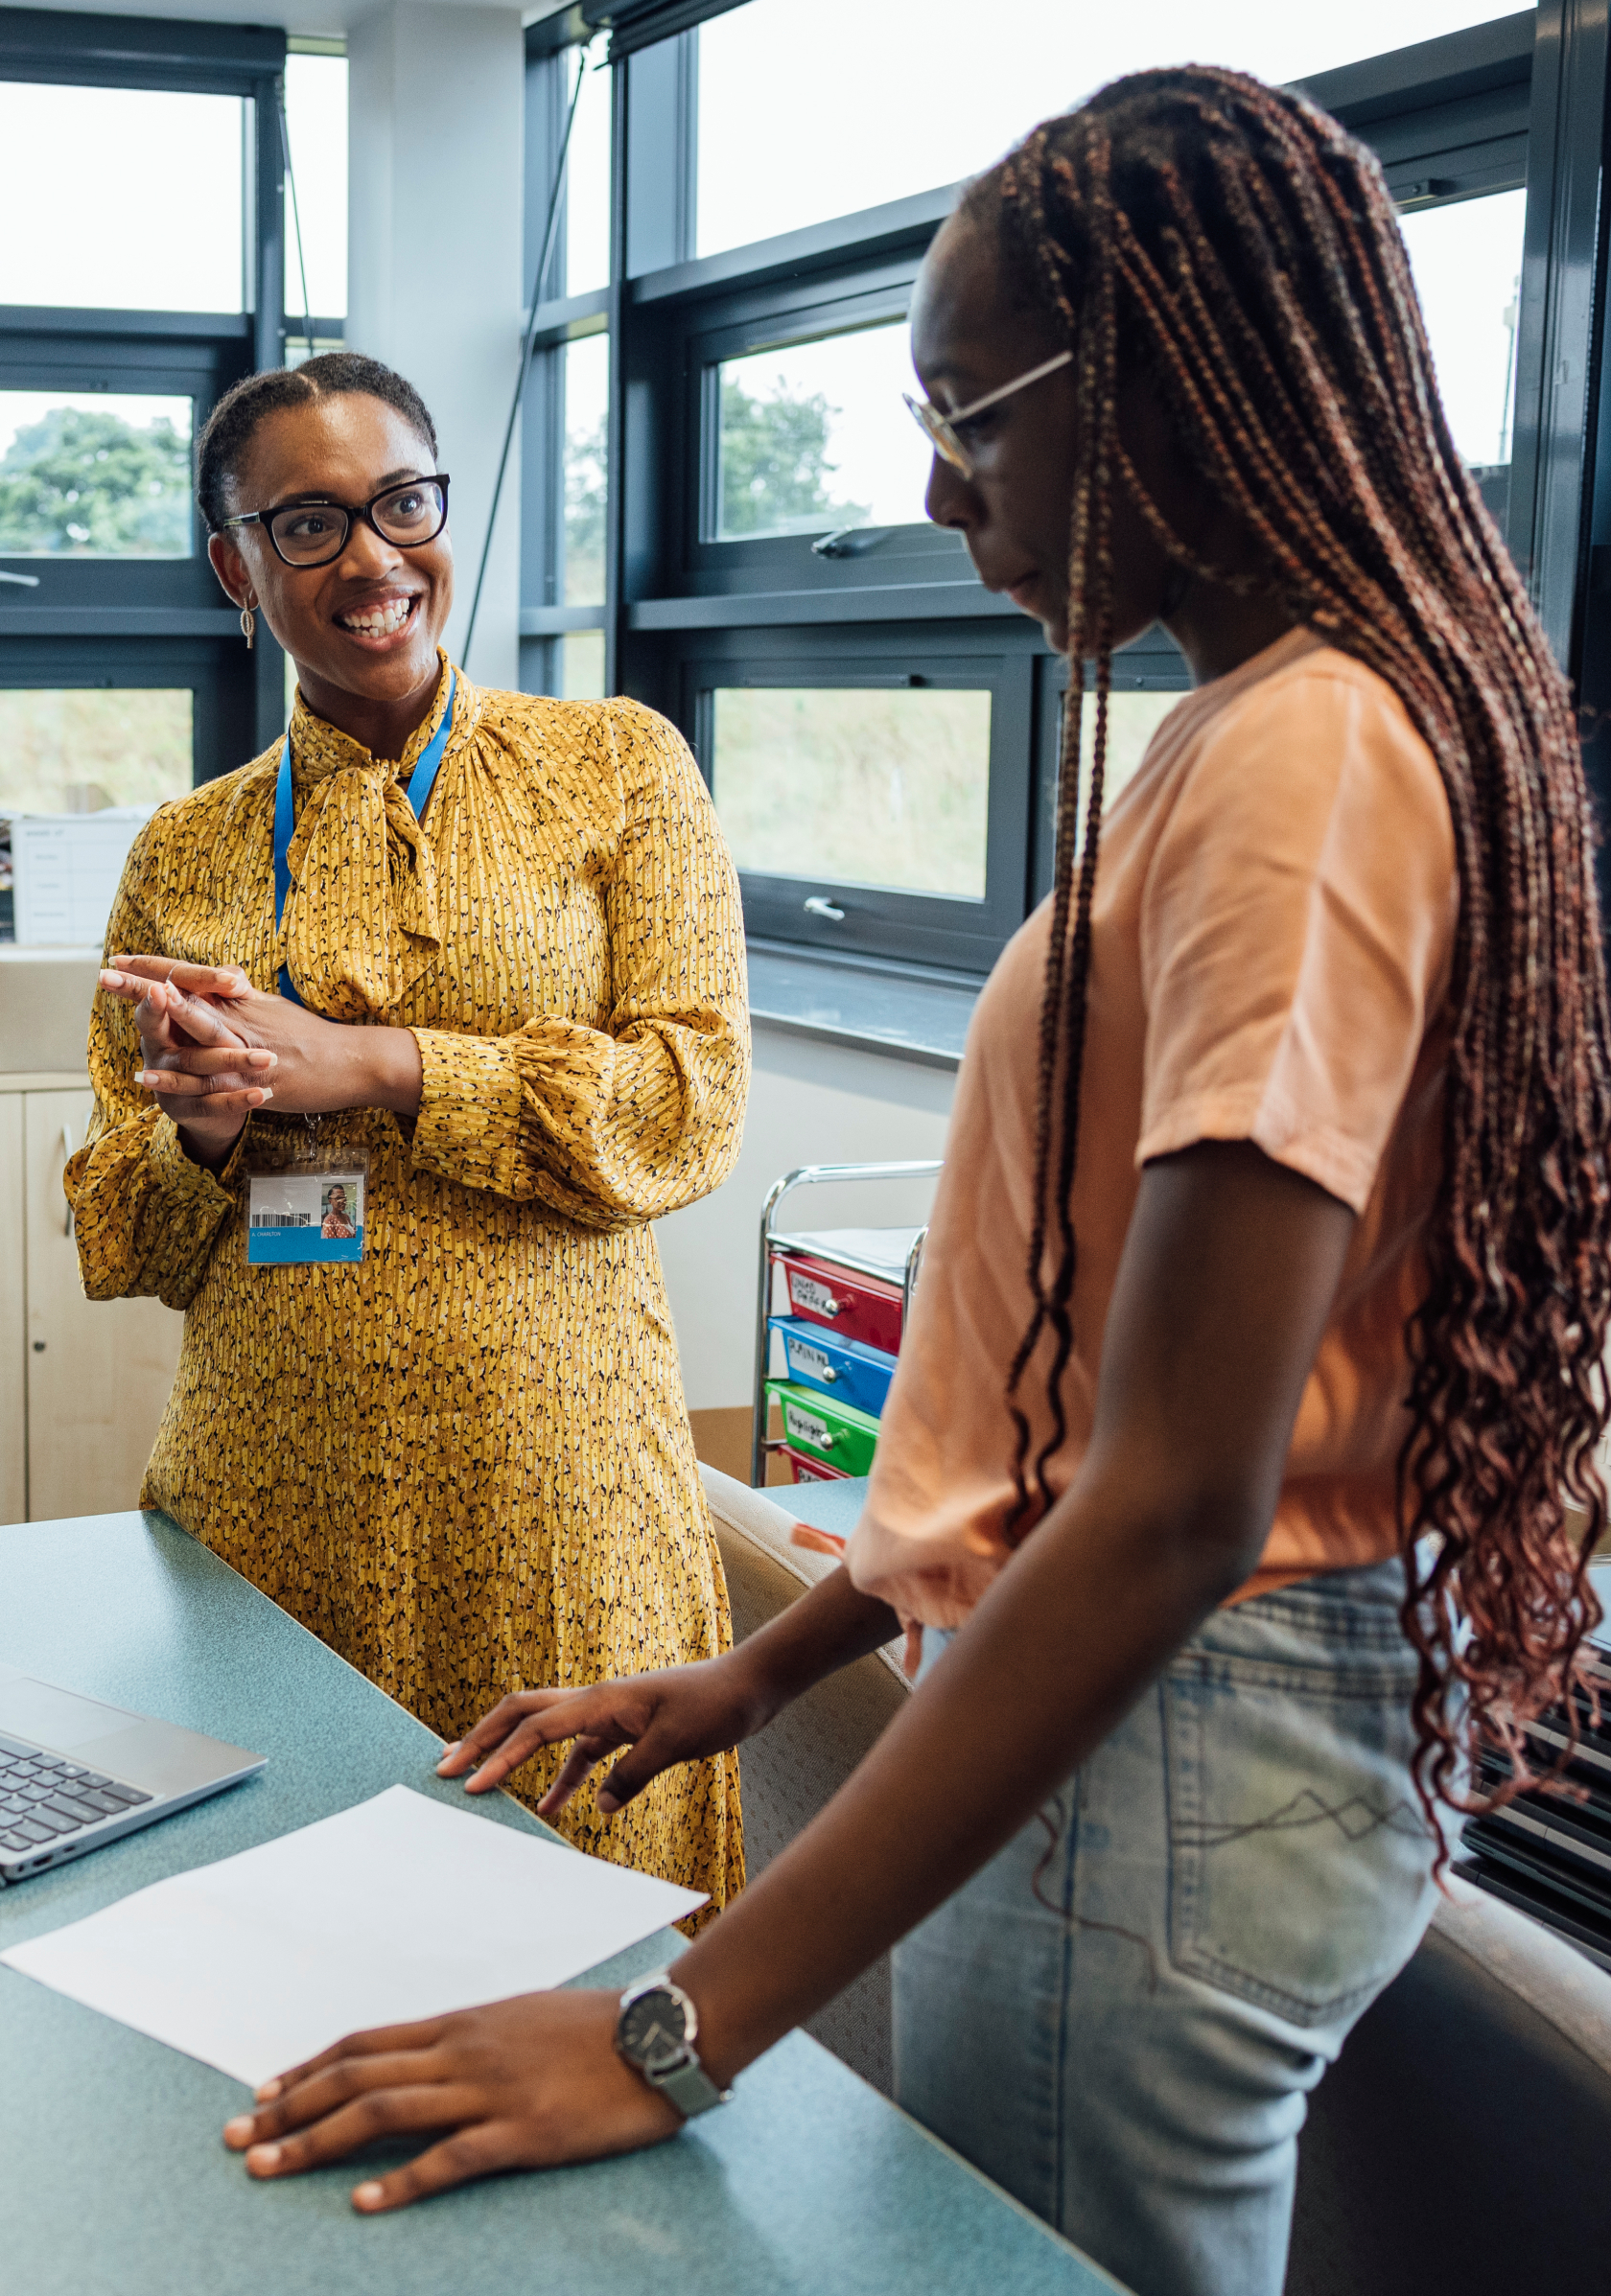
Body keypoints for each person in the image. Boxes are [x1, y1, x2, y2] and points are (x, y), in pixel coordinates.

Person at [218, 72, 1611, 2296]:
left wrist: (678, 2025)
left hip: (1168, 1728)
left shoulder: (1311, 757)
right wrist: (777, 1667)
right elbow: (1081, 1419)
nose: (934, 481)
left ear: (1159, 384)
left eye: (972, 411)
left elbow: (1171, 1500)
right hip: (1138, 1709)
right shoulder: (1268, 726)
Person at [70, 353, 749, 1918]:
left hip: (561, 1503)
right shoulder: (188, 848)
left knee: (590, 1937)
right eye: (305, 526)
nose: (372, 559)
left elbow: (688, 1101)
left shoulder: (618, 768)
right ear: (234, 566)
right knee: (278, 1940)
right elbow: (119, 1226)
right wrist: (209, 1137)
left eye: (401, 504)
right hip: (266, 1514)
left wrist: (374, 1066)